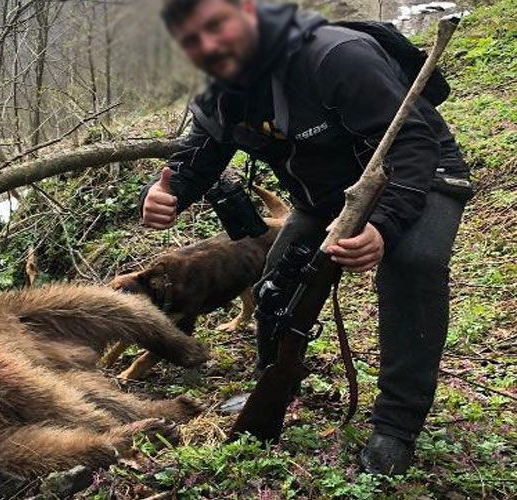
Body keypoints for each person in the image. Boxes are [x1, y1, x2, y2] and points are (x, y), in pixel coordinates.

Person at [139, 0, 471, 475]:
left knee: (413, 263)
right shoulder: (218, 87)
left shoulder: (336, 57)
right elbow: (201, 152)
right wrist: (167, 191)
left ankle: (396, 426)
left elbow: (411, 142)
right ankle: (273, 382)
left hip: (420, 172)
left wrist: (385, 224)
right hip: (329, 194)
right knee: (277, 277)